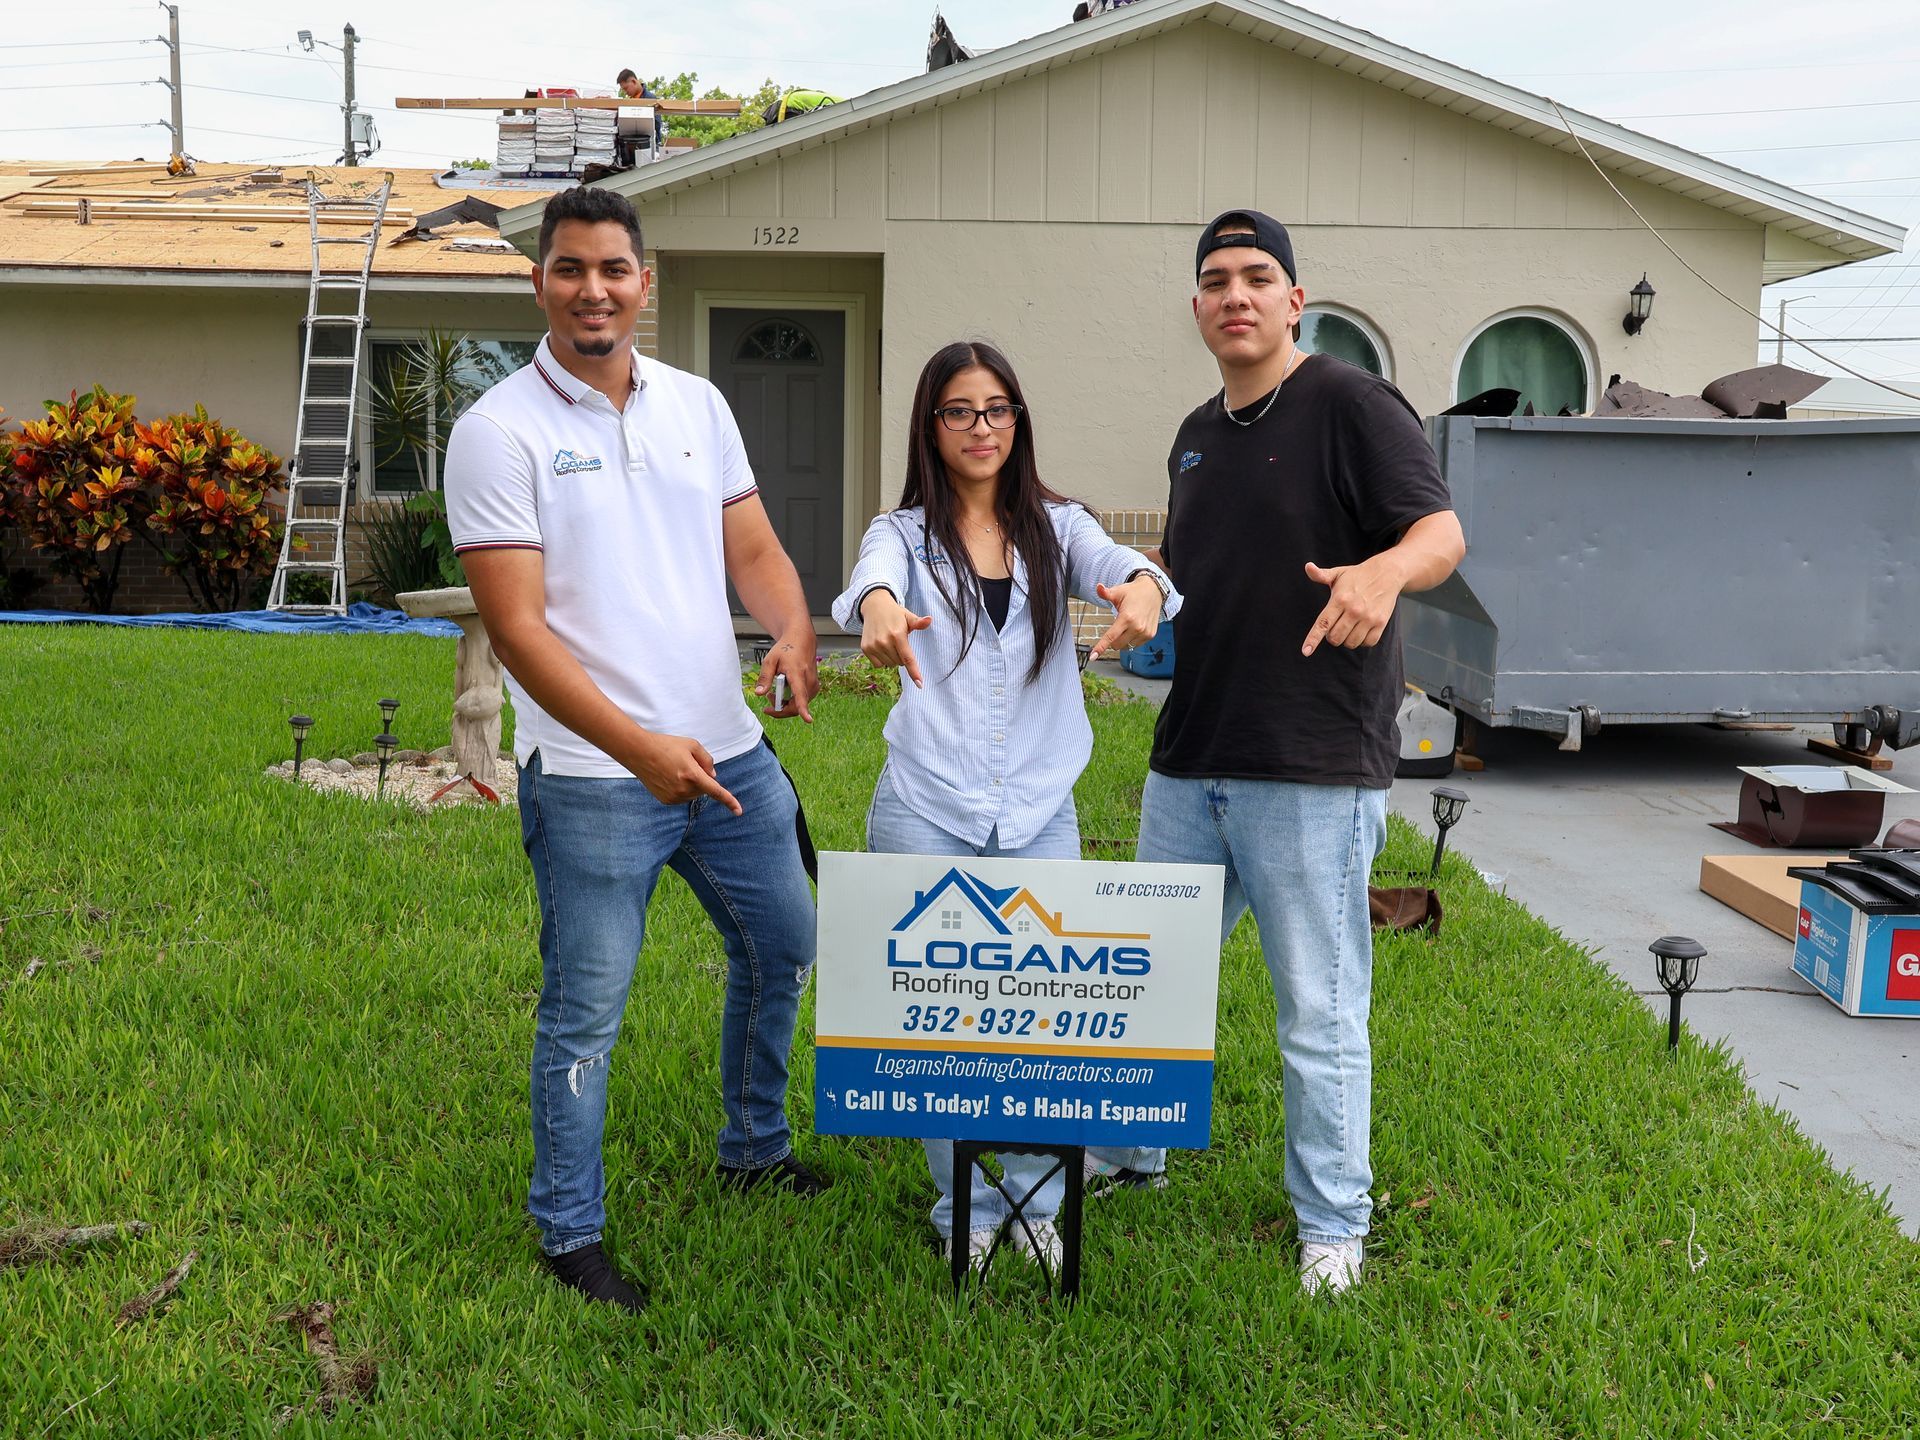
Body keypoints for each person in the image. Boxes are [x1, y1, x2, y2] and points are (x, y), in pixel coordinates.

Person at [443, 186, 826, 1313]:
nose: (593, 289)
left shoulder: (698, 405)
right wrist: (642, 750)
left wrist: (795, 631)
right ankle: (569, 1233)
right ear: (540, 284)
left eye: (614, 269)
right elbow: (516, 631)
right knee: (586, 1007)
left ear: (643, 283)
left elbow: (752, 550)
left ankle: (752, 1149)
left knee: (784, 946)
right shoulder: (498, 430)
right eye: (570, 269)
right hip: (595, 776)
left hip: (732, 756)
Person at [1103, 210, 1465, 1297]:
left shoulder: (1351, 403)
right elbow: (1193, 557)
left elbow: (1439, 534)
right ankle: (1133, 1159)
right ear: (1199, 306)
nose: (1235, 295)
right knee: (1150, 983)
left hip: (1307, 766)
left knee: (1317, 1007)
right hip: (1188, 760)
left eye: (1258, 276)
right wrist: (1140, 583)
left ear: (1296, 298)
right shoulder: (1195, 430)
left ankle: (1333, 1224)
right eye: (1214, 280)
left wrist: (1382, 574)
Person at [832, 341, 1178, 1272]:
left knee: (1040, 1021)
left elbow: (1124, 566)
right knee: (940, 1022)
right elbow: (868, 583)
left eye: (996, 410)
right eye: (958, 411)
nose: (980, 428)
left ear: (1017, 421)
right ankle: (966, 1211)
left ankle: (1034, 1204)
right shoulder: (902, 536)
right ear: (930, 426)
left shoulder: (1058, 526)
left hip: (1036, 811)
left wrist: (1142, 590)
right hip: (925, 803)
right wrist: (873, 611)